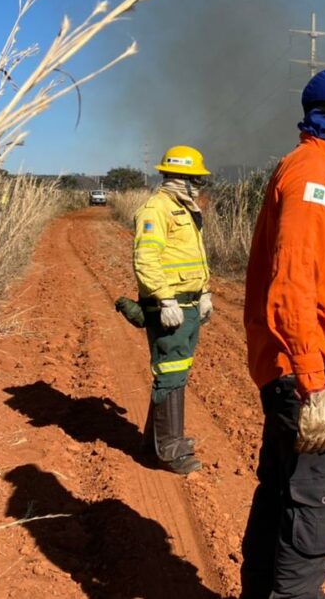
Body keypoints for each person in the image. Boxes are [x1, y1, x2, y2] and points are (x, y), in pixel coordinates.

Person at [240, 68, 325, 599]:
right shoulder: (314, 178)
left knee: (281, 496)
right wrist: (313, 385)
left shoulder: (314, 171)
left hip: (300, 366)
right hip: (307, 370)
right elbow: (293, 285)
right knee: (312, 507)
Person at [132, 145, 213, 475]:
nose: (200, 186)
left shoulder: (185, 210)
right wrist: (164, 299)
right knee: (171, 373)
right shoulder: (157, 209)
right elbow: (145, 259)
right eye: (196, 179)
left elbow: (194, 258)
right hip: (172, 307)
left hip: (190, 304)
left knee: (177, 371)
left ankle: (155, 441)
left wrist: (205, 292)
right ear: (181, 178)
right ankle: (170, 450)